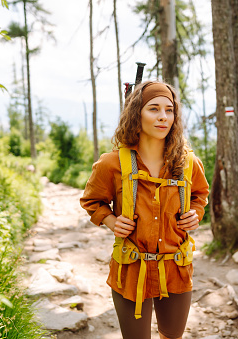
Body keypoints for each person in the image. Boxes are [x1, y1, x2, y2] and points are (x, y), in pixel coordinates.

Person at [80, 80, 209, 339]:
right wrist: (110, 220)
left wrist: (195, 213)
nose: (163, 117)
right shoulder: (112, 163)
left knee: (172, 336)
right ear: (136, 113)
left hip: (176, 269)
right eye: (153, 109)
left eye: (169, 110)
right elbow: (92, 200)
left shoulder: (188, 163)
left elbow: (200, 195)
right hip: (131, 269)